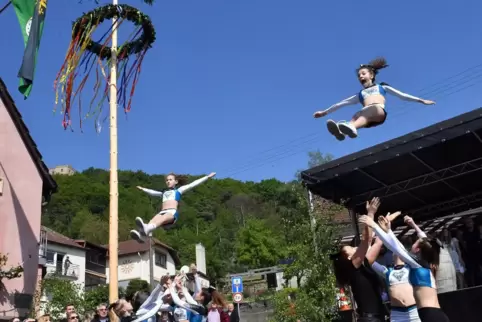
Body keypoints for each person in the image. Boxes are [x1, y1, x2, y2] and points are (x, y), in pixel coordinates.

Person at [313, 57, 435, 141]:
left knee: (367, 111)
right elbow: (342, 103)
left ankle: (350, 127)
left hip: (378, 112)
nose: (361, 76)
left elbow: (402, 95)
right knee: (358, 114)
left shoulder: (382, 87)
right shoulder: (360, 94)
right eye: (359, 75)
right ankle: (341, 132)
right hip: (367, 118)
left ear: (371, 75)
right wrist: (325, 112)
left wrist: (421, 100)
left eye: (363, 74)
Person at [359, 214, 450, 322]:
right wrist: (388, 231)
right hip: (432, 315)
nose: (413, 242)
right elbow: (399, 247)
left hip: (432, 316)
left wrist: (375, 226)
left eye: (416, 241)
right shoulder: (422, 264)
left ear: (417, 249)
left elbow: (397, 248)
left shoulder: (419, 264)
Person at [331, 197, 387, 321]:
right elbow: (366, 241)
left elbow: (376, 242)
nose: (354, 247)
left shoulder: (363, 266)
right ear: (349, 257)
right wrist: (370, 214)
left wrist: (383, 228)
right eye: (350, 248)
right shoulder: (353, 267)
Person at [130, 172, 216, 242]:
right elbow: (152, 192)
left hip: (171, 213)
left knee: (163, 218)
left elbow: (193, 184)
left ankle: (146, 228)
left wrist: (207, 177)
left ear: (176, 182)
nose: (168, 181)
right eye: (167, 180)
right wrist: (143, 189)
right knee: (153, 219)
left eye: (170, 180)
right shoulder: (163, 192)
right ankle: (141, 236)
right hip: (162, 212)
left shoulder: (178, 191)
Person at [371, 214, 421, 322]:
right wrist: (371, 238)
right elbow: (370, 261)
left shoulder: (411, 267)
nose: (395, 252)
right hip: (397, 314)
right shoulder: (387, 271)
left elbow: (397, 247)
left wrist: (388, 230)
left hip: (414, 312)